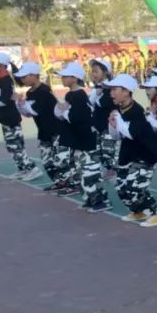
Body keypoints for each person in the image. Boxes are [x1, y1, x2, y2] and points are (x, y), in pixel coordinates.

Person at [104, 74, 157, 226]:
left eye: (114, 89)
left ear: (126, 91)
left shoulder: (136, 111)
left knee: (135, 187)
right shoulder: (120, 110)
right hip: (128, 154)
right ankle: (138, 211)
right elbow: (117, 136)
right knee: (121, 187)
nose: (111, 93)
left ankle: (156, 212)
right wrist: (112, 123)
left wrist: (117, 119)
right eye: (110, 90)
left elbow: (131, 133)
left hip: (144, 155)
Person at [54, 61, 110, 211]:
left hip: (86, 140)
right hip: (78, 140)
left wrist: (64, 111)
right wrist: (62, 111)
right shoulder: (71, 94)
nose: (62, 79)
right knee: (80, 170)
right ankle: (92, 198)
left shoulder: (79, 95)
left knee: (90, 171)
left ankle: (99, 201)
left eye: (66, 76)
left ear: (74, 78)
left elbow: (75, 116)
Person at [15, 62, 70, 191]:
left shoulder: (44, 91)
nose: (22, 79)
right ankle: (58, 182)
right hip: (44, 131)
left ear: (34, 75)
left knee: (61, 160)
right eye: (21, 77)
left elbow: (35, 110)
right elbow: (28, 113)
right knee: (47, 161)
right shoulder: (30, 93)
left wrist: (22, 103)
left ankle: (69, 184)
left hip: (56, 130)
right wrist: (19, 104)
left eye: (25, 76)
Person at [0, 53, 38, 179]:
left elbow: (4, 99)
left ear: (1, 65)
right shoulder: (2, 78)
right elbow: (1, 94)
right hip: (6, 117)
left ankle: (31, 168)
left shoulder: (5, 79)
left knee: (16, 144)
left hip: (10, 117)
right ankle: (22, 168)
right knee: (11, 145)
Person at [89, 58, 118, 177]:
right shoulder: (97, 88)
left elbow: (101, 103)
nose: (93, 74)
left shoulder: (110, 88)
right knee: (97, 151)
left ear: (106, 72)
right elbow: (89, 102)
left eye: (96, 71)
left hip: (108, 126)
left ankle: (115, 172)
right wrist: (96, 93)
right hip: (98, 125)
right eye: (92, 71)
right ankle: (105, 170)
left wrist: (98, 94)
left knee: (108, 152)